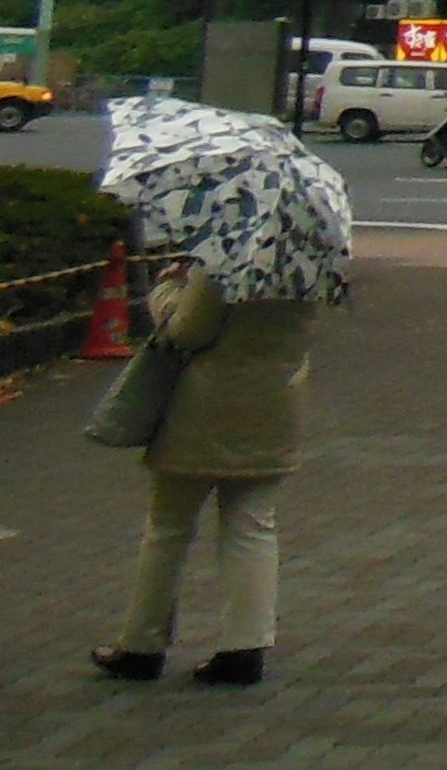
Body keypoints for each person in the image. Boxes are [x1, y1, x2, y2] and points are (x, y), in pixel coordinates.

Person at [89, 257, 317, 687]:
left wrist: (167, 288)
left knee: (169, 525)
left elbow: (185, 330)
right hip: (274, 402)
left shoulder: (225, 257)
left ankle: (142, 643)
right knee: (252, 526)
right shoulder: (306, 258)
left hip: (204, 405)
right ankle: (245, 647)